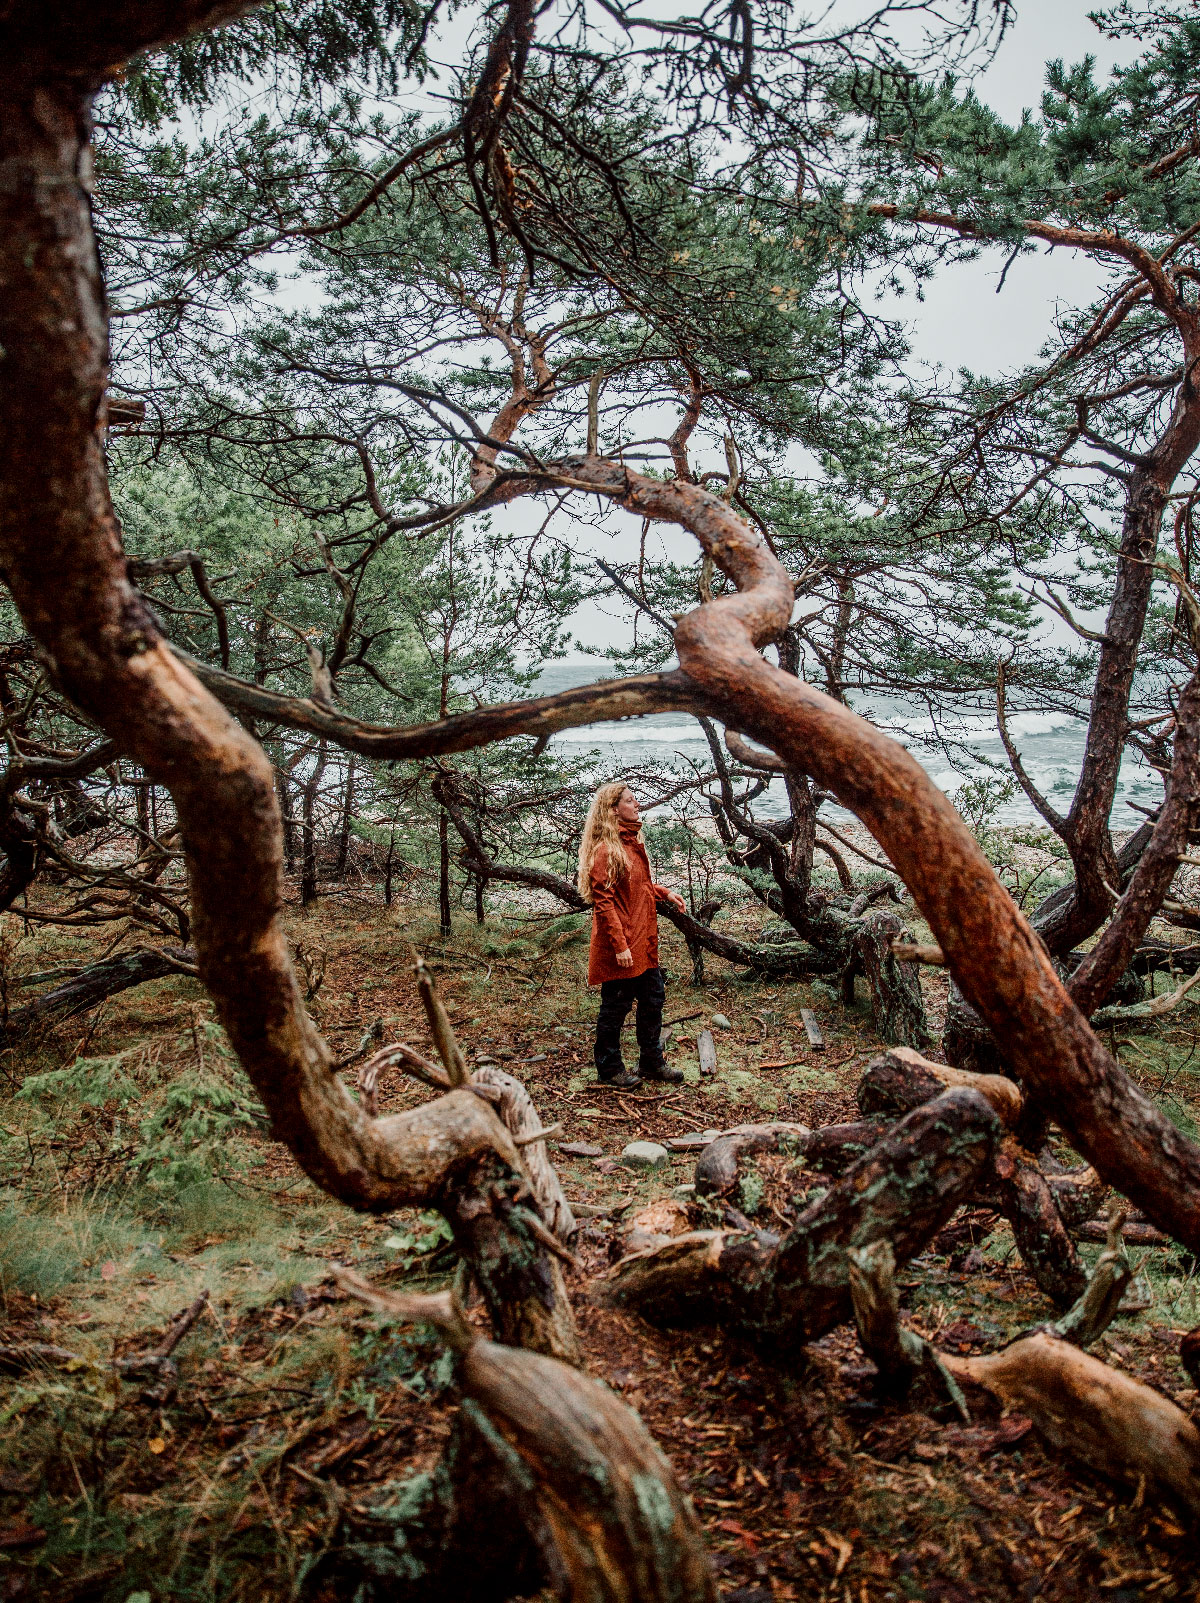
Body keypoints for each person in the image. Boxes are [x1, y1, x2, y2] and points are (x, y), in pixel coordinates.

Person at [577, 780, 687, 1088]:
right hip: (621, 944)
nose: (637, 805)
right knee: (616, 1006)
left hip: (642, 941)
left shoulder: (630, 843)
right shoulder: (605, 850)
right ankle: (609, 1069)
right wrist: (620, 946)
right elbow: (604, 902)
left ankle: (651, 1062)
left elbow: (637, 887)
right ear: (613, 811)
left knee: (653, 998)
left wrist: (664, 893)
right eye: (630, 800)